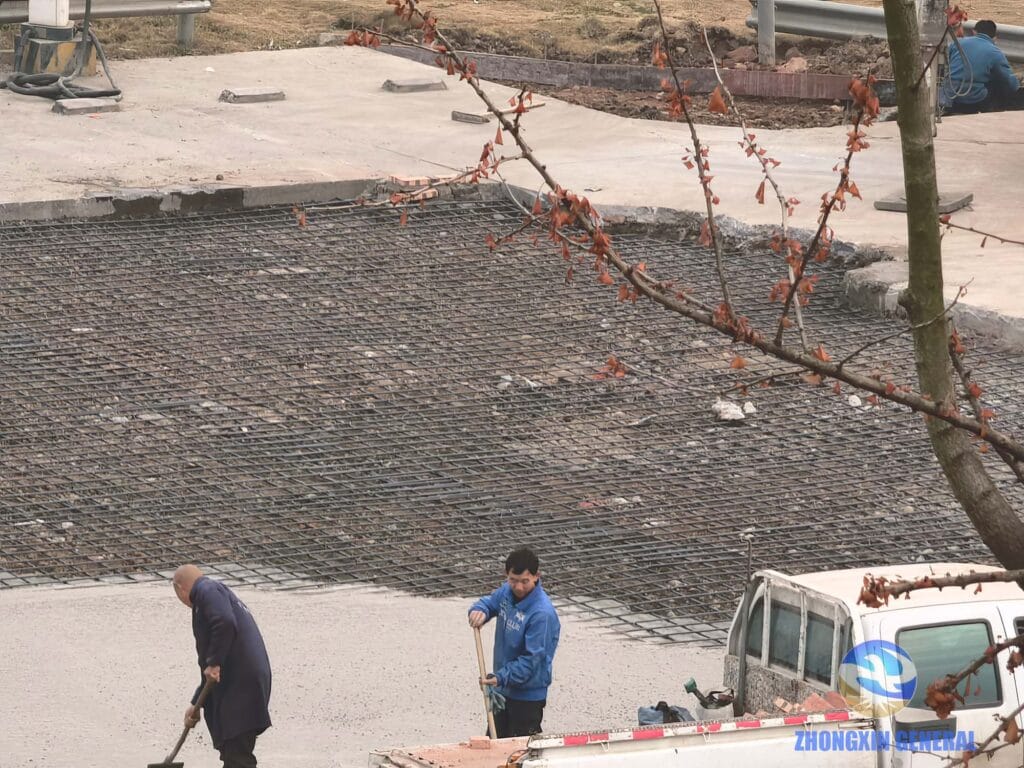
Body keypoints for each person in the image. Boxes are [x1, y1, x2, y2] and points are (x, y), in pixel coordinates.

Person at [173, 564, 272, 768]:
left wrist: (214, 662)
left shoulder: (206, 589)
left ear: (180, 589)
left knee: (237, 756)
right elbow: (209, 667)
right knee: (233, 751)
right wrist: (197, 704)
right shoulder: (217, 595)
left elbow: (225, 622)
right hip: (246, 681)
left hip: (241, 685)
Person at [468, 547, 561, 738]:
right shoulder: (506, 592)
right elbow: (489, 603)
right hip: (502, 690)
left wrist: (501, 677)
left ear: (536, 576)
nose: (518, 587)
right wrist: (480, 611)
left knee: (518, 750)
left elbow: (531, 660)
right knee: (494, 744)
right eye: (513, 580)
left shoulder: (542, 614)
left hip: (527, 697)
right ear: (507, 575)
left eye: (525, 581)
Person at [943, 20, 1024, 114]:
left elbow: (946, 64)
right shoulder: (995, 52)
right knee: (998, 82)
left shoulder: (957, 43)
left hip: (949, 94)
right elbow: (1011, 84)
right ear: (995, 38)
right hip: (972, 98)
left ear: (974, 32)